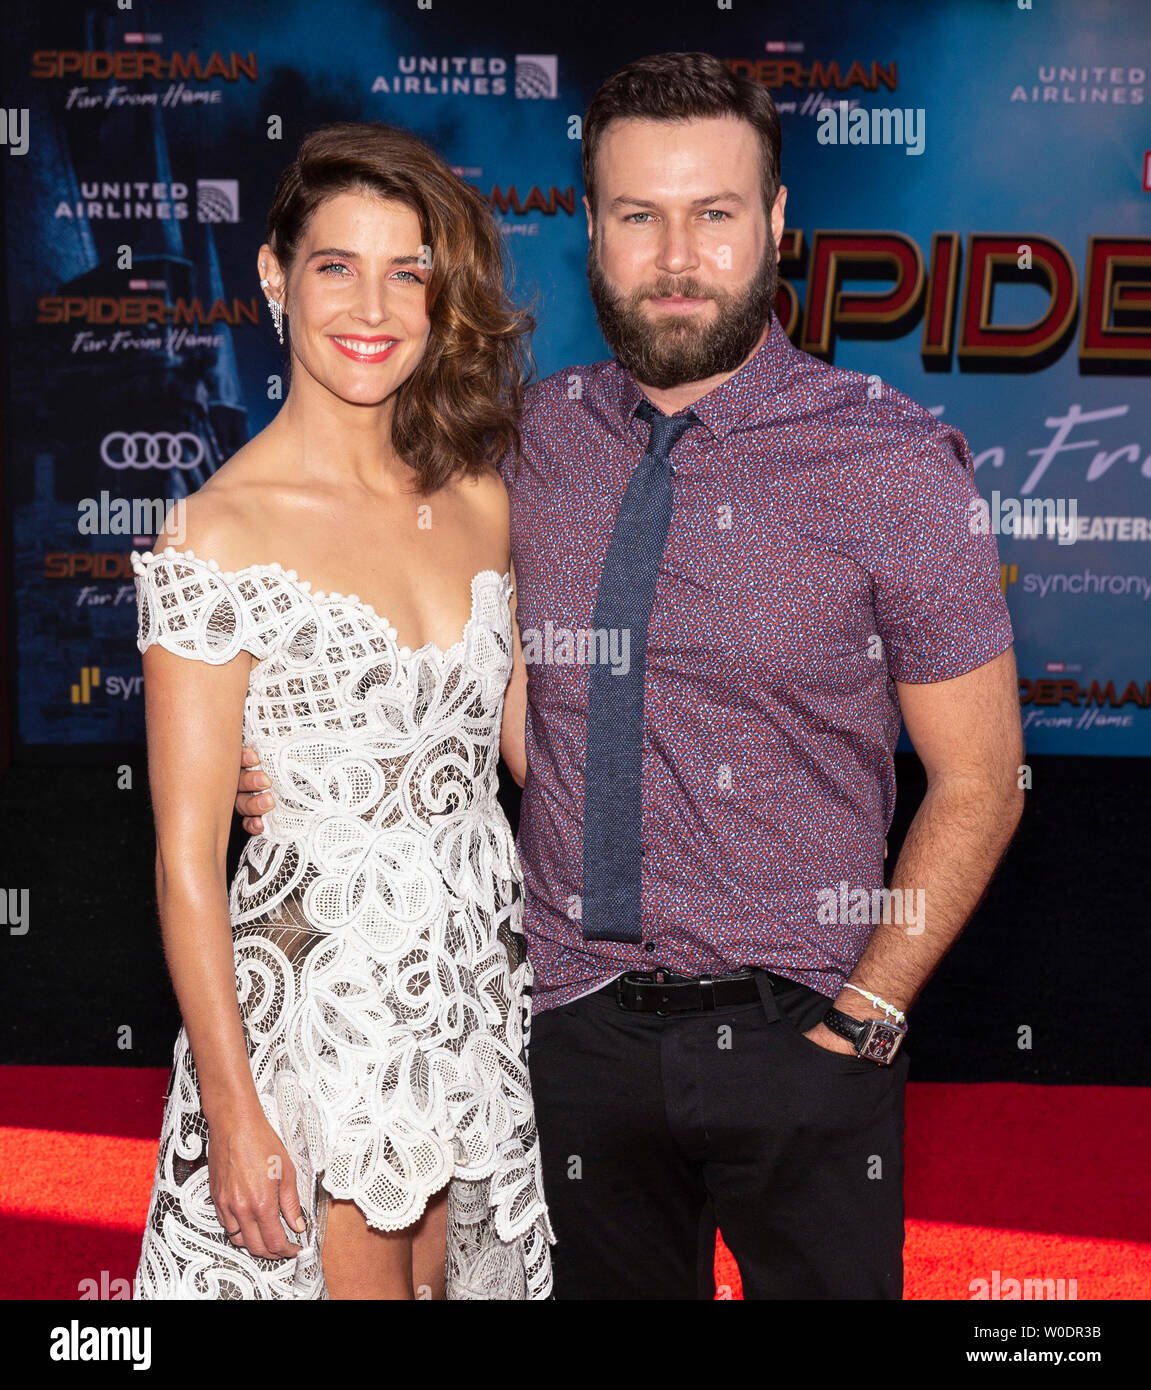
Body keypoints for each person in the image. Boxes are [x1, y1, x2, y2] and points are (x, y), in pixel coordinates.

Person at [237, 53, 1024, 1300]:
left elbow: (982, 778)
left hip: (802, 1030)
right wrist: (293, 754)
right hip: (570, 1039)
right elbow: (412, 619)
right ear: (589, 227)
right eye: (636, 216)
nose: (674, 256)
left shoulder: (889, 462)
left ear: (773, 224)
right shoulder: (528, 442)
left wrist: (861, 1019)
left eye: (713, 214)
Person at [131, 121, 553, 1300]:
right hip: (322, 1022)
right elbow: (184, 862)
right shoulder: (217, 534)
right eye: (336, 266)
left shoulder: (477, 496)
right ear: (274, 276)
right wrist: (232, 1106)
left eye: (406, 270)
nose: (372, 306)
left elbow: (527, 749)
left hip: (473, 994)